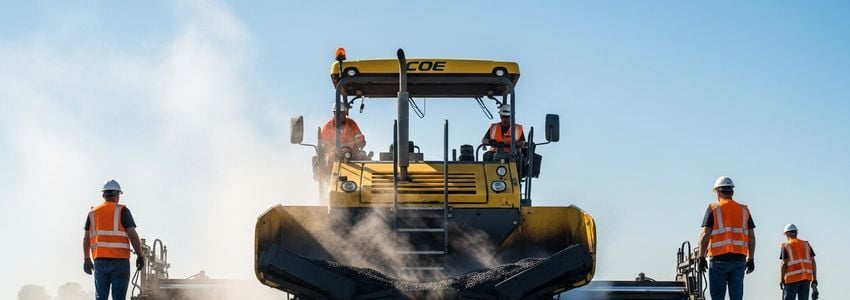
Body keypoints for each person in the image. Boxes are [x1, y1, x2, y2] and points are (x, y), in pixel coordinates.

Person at [83, 180, 144, 300]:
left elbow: (86, 238)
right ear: (117, 195)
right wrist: (140, 256)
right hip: (120, 262)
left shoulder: (92, 213)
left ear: (103, 195)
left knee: (101, 297)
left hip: (100, 262)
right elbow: (132, 234)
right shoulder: (122, 210)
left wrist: (86, 259)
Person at [697, 176, 756, 300]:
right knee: (736, 297)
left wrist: (701, 256)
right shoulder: (744, 210)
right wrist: (751, 258)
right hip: (739, 259)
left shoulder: (714, 208)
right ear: (732, 192)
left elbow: (705, 235)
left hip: (718, 260)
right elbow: (751, 237)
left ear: (718, 192)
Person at [780, 224, 818, 300]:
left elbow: (784, 264)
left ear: (787, 233)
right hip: (806, 279)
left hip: (791, 280)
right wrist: (814, 279)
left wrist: (781, 280)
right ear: (796, 232)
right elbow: (813, 262)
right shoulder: (806, 244)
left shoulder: (786, 246)